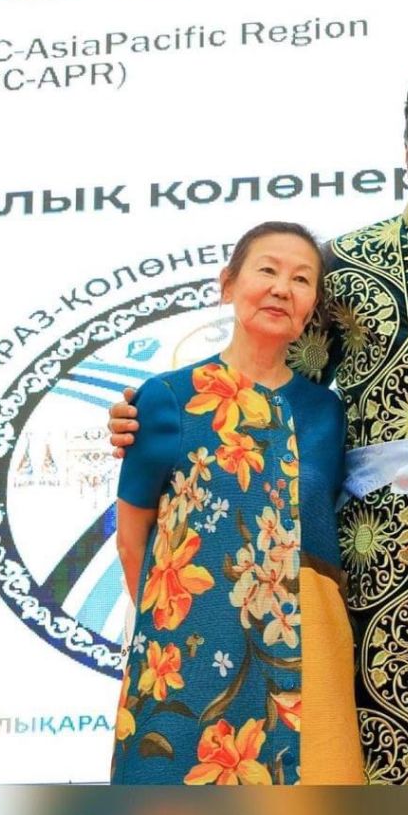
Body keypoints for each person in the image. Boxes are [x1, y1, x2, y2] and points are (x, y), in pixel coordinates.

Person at [111, 61, 408, 785]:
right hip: (383, 554)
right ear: (406, 152)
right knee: (378, 741)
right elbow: (279, 389)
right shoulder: (350, 264)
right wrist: (151, 415)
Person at [111, 221, 363, 785]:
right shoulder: (168, 398)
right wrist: (179, 629)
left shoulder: (327, 412)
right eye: (267, 270)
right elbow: (131, 540)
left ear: (312, 307)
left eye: (301, 279)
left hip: (310, 643)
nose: (281, 288)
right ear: (228, 284)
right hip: (191, 650)